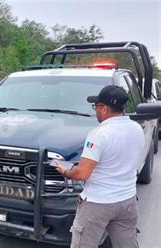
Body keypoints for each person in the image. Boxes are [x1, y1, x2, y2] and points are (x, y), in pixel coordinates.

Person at [54, 85, 144, 248]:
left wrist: (66, 171)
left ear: (104, 108)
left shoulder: (99, 134)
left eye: (96, 106)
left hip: (98, 203)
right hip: (127, 201)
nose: (95, 110)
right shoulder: (136, 129)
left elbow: (82, 173)